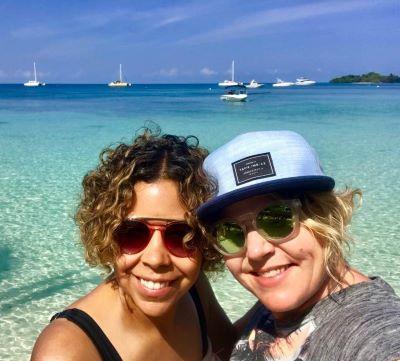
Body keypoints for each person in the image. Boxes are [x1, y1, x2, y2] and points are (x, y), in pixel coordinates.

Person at [31, 129, 235, 361]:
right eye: (133, 234)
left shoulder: (194, 291)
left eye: (182, 236)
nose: (156, 258)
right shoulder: (68, 351)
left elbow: (233, 350)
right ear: (105, 234)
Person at [197, 130, 400, 361]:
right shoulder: (279, 302)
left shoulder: (367, 329)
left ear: (326, 216)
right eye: (229, 233)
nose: (255, 251)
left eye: (277, 220)